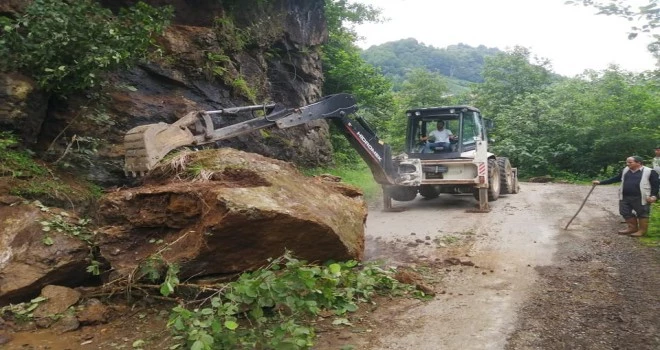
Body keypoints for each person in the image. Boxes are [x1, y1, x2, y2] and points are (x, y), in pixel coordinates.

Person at [592, 156, 659, 237]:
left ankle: (642, 231)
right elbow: (616, 179)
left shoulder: (650, 172)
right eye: (627, 162)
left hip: (641, 197)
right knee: (625, 212)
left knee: (642, 214)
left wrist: (653, 196)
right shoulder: (625, 170)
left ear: (639, 163)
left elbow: (655, 186)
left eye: (630, 162)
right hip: (625, 196)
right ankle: (632, 228)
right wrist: (600, 182)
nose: (627, 164)